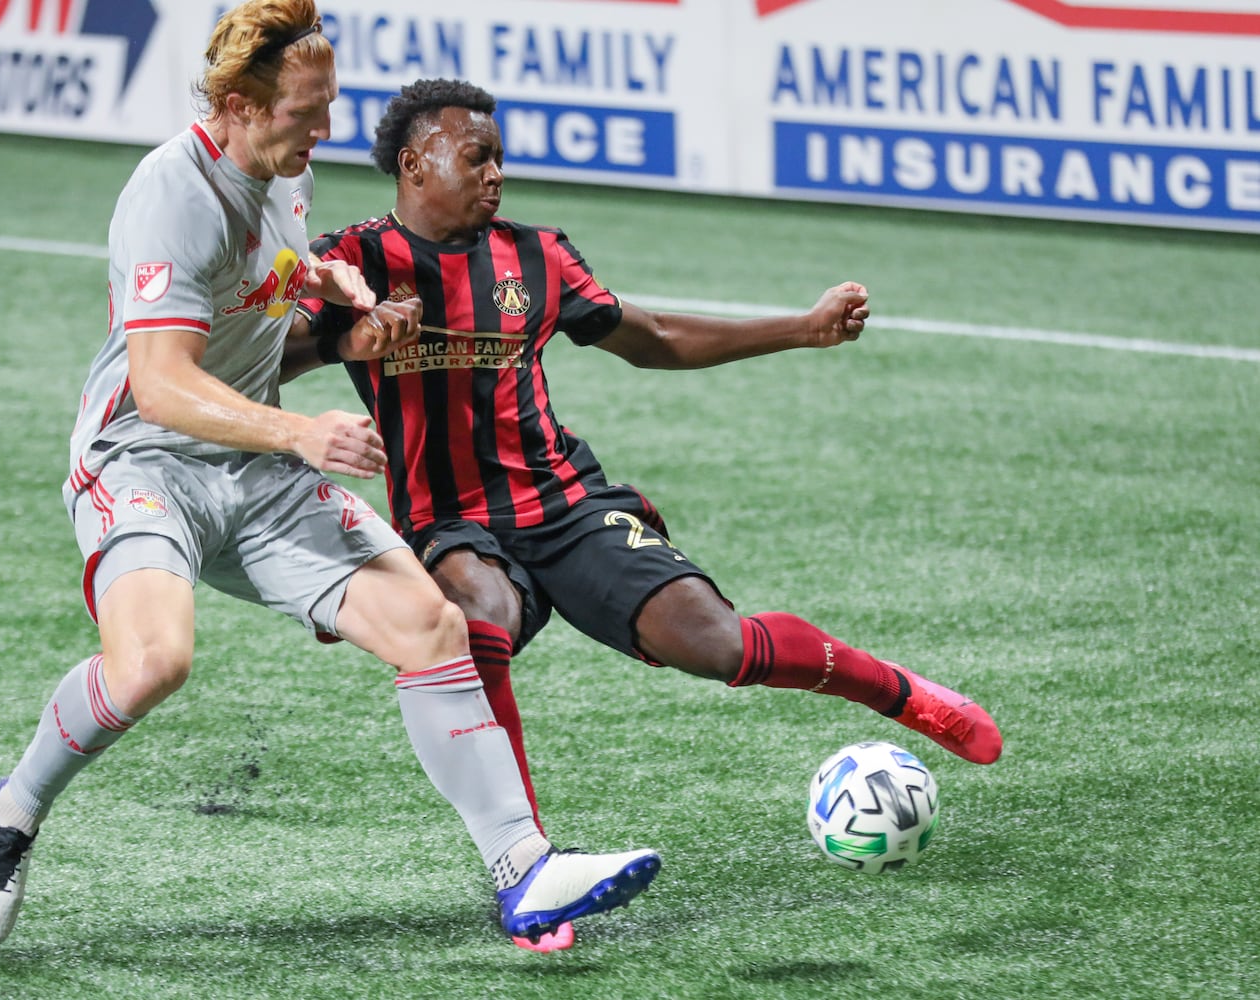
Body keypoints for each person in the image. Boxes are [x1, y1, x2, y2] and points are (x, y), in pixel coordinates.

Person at [0, 10, 662, 950]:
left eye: (328, 104)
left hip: (259, 466)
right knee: (153, 664)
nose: (325, 130)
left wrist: (329, 289)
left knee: (430, 624)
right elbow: (163, 386)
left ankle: (522, 871)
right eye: (306, 110)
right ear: (237, 104)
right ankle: (13, 810)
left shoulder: (284, 168)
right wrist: (303, 431)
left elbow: (268, 278)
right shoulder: (173, 193)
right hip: (145, 462)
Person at [285, 77, 1004, 949]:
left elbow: (651, 337)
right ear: (414, 163)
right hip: (449, 522)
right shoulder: (350, 261)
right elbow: (265, 355)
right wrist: (343, 338)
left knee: (719, 646)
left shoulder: (536, 256)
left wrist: (802, 328)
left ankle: (900, 694)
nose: (496, 173)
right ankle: (530, 873)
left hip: (565, 502)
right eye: (477, 156)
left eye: (499, 157)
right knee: (472, 623)